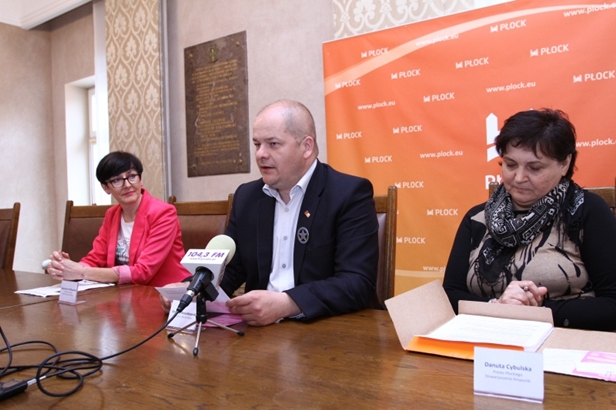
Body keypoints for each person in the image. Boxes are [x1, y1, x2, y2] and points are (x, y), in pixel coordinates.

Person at [162, 99, 379, 326]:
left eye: (273, 144)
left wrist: (288, 303)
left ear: (306, 147)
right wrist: (189, 290)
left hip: (326, 329)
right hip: (258, 332)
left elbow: (357, 283)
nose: (260, 154)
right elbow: (230, 270)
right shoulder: (247, 197)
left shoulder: (348, 194)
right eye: (257, 144)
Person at [443, 108, 616, 331]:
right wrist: (497, 306)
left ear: (564, 164)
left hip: (565, 341)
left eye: (534, 168)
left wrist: (535, 310)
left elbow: (612, 303)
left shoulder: (587, 211)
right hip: (488, 337)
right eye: (510, 164)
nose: (519, 177)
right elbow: (449, 296)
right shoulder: (477, 218)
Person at [46, 151, 191, 287]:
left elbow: (143, 272)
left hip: (164, 294)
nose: (127, 185)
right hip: (127, 293)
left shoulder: (163, 213)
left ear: (141, 180)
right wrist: (65, 267)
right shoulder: (112, 214)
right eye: (117, 180)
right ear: (106, 188)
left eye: (132, 176)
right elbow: (96, 258)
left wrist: (81, 272)